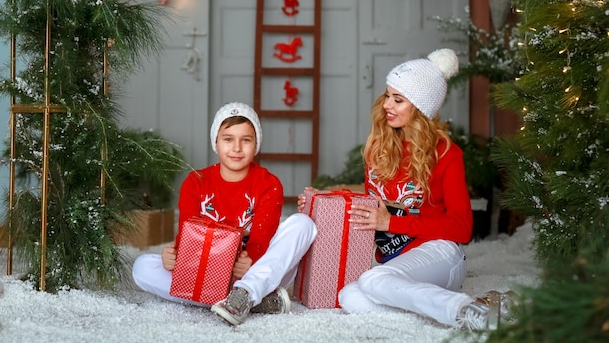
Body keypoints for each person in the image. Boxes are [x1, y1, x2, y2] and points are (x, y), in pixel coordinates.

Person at [298, 49, 514, 331]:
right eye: (388, 95)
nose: (388, 104)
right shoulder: (379, 147)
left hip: (441, 254)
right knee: (349, 296)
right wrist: (322, 200)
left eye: (398, 100)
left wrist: (392, 222)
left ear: (421, 107)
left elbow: (462, 228)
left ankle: (463, 308)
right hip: (397, 262)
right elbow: (374, 204)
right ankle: (476, 307)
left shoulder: (446, 154)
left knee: (372, 281)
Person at [133, 102, 317, 326]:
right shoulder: (196, 182)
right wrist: (175, 257)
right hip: (207, 270)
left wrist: (251, 261)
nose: (237, 148)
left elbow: (260, 241)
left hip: (255, 270)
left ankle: (247, 292)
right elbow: (187, 238)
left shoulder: (269, 184)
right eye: (228, 139)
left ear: (256, 144)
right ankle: (252, 300)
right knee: (142, 267)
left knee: (303, 223)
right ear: (216, 143)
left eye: (246, 140)